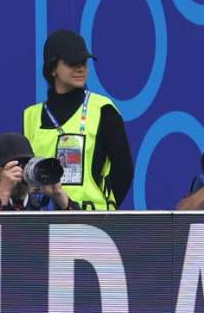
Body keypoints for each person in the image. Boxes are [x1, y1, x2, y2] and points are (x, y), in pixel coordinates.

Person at [22, 29, 133, 211]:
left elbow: (124, 170)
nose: (81, 68)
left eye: (83, 62)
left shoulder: (103, 110)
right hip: (42, 222)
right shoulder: (31, 116)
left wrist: (106, 212)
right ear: (52, 69)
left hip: (91, 222)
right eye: (72, 63)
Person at [0, 131, 72, 210]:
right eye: (13, 166)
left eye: (26, 164)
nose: (20, 171)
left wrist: (60, 197)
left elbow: (80, 228)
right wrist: (3, 194)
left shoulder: (45, 202)